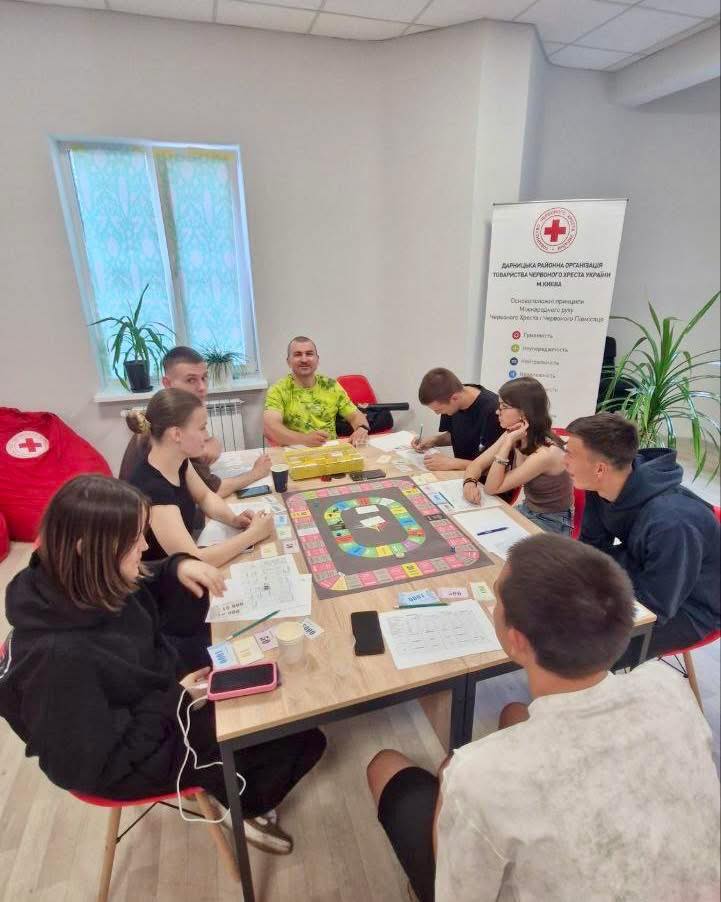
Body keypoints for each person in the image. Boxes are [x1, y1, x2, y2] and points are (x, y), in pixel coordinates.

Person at [367, 534, 720, 902]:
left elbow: (457, 894)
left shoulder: (476, 775)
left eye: (497, 598)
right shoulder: (670, 686)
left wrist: (454, 790)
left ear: (517, 641)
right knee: (513, 714)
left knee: (386, 764)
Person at [0, 475, 325, 854]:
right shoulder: (58, 661)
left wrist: (177, 567)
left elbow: (137, 582)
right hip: (130, 753)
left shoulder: (78, 576)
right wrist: (175, 700)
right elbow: (91, 767)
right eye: (134, 539)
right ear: (88, 549)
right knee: (299, 735)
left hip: (153, 690)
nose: (144, 545)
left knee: (252, 670)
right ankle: (239, 804)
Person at [565, 411, 720, 656]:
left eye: (570, 454)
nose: (564, 461)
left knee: (578, 648)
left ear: (600, 469)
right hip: (644, 570)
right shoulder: (599, 487)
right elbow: (591, 549)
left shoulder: (673, 521)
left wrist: (591, 606)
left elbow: (656, 608)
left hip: (691, 607)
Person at [126, 388, 273, 568]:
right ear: (176, 434)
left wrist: (234, 520)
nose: (207, 436)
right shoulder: (153, 489)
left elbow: (205, 496)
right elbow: (194, 559)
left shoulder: (179, 459)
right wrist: (254, 534)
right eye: (202, 428)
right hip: (160, 576)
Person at [119, 346, 271, 497]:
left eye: (204, 378)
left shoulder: (173, 412)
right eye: (191, 380)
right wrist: (256, 473)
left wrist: (207, 444)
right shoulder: (170, 425)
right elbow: (213, 490)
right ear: (167, 383)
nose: (202, 387)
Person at [461, 376, 573, 534]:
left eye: (504, 407)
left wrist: (507, 443)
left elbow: (491, 488)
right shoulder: (515, 433)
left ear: (524, 412)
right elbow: (476, 465)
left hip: (552, 521)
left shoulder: (545, 453)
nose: (497, 411)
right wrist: (469, 482)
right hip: (528, 509)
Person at [263, 336, 370, 447]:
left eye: (309, 354)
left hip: (331, 450)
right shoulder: (278, 390)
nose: (304, 359)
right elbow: (270, 427)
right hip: (296, 452)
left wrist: (362, 428)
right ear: (288, 361)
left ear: (317, 360)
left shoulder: (331, 386)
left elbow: (355, 416)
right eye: (298, 354)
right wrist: (304, 439)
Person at [410, 368, 503, 472]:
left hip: (483, 479)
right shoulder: (450, 395)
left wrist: (453, 463)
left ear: (454, 398)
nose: (437, 413)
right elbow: (456, 434)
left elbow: (496, 467)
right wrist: (433, 440)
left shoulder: (494, 411)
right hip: (462, 474)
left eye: (439, 410)